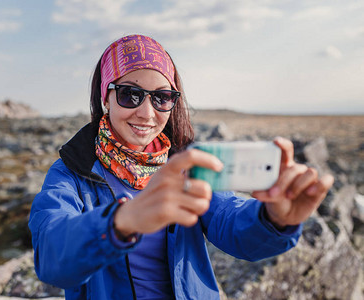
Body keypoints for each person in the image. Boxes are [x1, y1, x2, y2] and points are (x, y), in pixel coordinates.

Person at [28, 34, 334, 300]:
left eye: (162, 98)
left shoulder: (184, 165)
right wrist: (123, 219)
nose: (147, 113)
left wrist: (274, 220)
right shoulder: (71, 173)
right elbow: (52, 256)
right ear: (105, 97)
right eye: (130, 94)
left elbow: (229, 222)